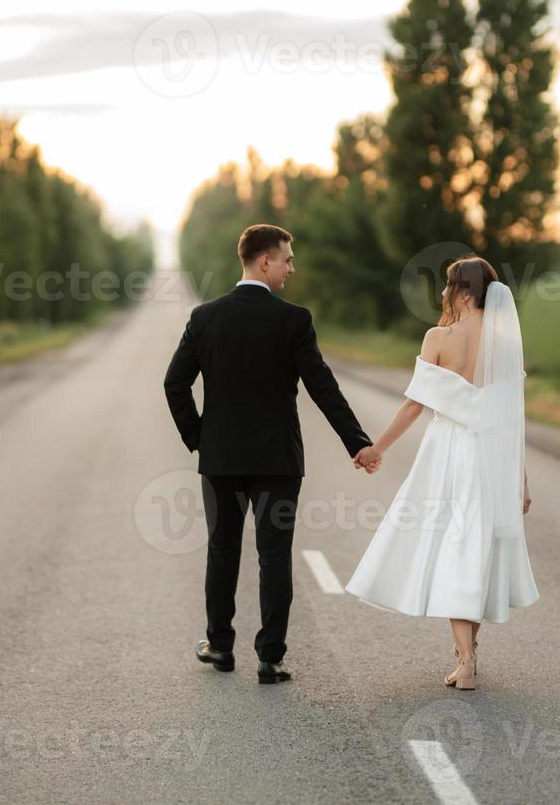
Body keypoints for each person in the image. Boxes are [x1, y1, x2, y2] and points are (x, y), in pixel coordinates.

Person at [163, 223, 380, 684]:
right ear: (265, 261)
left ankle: (220, 647)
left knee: (222, 552)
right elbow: (322, 386)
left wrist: (201, 437)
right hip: (278, 463)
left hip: (220, 461)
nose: (291, 268)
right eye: (287, 259)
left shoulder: (205, 318)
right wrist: (357, 442)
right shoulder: (293, 320)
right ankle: (270, 658)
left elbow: (174, 384)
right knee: (274, 556)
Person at [344, 255, 539, 691]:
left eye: (448, 286)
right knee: (476, 546)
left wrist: (377, 448)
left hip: (448, 451)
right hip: (493, 454)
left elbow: (414, 404)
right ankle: (467, 653)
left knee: (456, 546)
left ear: (463, 291)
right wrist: (521, 479)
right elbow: (512, 417)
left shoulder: (438, 337)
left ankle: (466, 659)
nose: (444, 294)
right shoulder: (505, 342)